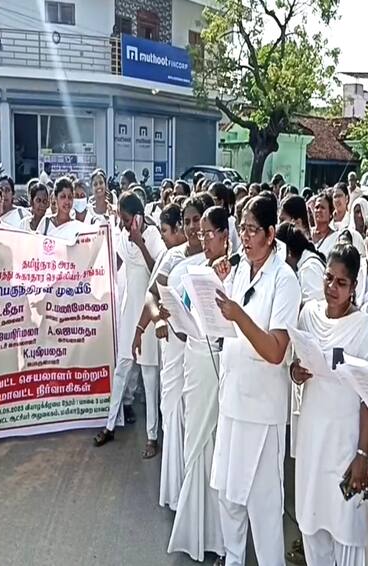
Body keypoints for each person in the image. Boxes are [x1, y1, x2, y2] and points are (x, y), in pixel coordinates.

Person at [210, 195, 300, 566]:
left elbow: (276, 349)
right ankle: (232, 559)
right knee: (228, 495)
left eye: (250, 230)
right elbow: (226, 328)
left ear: (270, 233)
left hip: (262, 411)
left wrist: (238, 315)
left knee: (263, 506)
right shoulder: (241, 271)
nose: (243, 237)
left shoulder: (285, 280)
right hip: (232, 400)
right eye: (241, 229)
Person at [289, 244, 368, 566]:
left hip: (345, 443)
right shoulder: (308, 315)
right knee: (312, 526)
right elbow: (297, 365)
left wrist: (362, 453)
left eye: (341, 282)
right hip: (313, 439)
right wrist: (295, 372)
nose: (332, 288)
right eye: (329, 278)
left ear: (354, 286)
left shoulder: (363, 328)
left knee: (346, 530)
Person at [133, 200, 205, 509]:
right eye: (187, 221)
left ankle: (195, 499)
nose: (191, 227)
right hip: (173, 349)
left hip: (201, 350)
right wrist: (157, 320)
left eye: (196, 221)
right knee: (173, 415)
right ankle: (176, 495)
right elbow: (152, 295)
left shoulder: (216, 260)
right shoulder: (173, 256)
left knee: (196, 424)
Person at [167, 205, 229, 562]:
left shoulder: (234, 272)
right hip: (193, 356)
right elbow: (185, 314)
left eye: (209, 233)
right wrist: (176, 315)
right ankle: (194, 531)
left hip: (216, 362)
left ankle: (219, 539)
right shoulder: (193, 271)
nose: (203, 239)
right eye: (201, 233)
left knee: (213, 447)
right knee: (195, 445)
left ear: (224, 234)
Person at [94, 191, 166, 458]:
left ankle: (151, 437)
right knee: (121, 369)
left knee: (149, 376)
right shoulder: (124, 237)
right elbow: (115, 263)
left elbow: (157, 272)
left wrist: (140, 242)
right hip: (128, 313)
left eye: (126, 219)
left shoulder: (155, 237)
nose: (124, 225)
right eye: (121, 220)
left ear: (138, 216)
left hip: (147, 314)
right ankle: (109, 425)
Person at [311, 193, 339, 258]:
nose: (319, 210)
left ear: (330, 213)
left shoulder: (336, 238)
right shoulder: (307, 234)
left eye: (322, 208)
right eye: (317, 207)